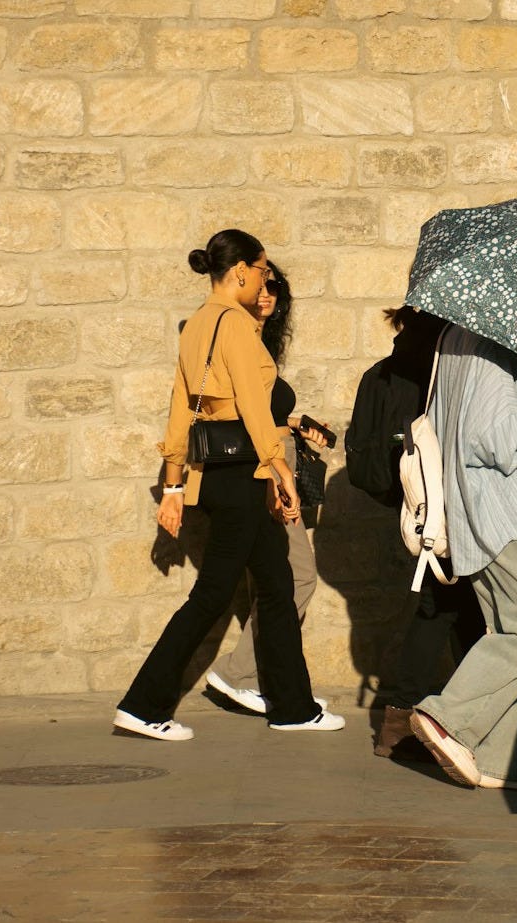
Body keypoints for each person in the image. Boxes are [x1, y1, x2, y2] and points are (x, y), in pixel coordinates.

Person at [114, 229, 345, 740]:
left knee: (278, 585)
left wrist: (173, 486)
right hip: (244, 477)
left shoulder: (197, 324)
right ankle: (142, 705)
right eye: (262, 271)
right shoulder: (235, 325)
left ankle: (293, 707)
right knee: (213, 594)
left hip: (218, 476)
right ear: (240, 271)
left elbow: (180, 409)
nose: (264, 280)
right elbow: (253, 406)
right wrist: (279, 469)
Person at [408, 324, 517, 790]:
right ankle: (447, 718)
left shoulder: (455, 337)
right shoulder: (494, 348)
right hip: (501, 511)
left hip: (471, 507)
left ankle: (510, 761)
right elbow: (494, 439)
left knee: (512, 629)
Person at [344, 306, 484, 761]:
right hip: (451, 504)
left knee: (459, 610)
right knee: (443, 607)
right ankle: (404, 718)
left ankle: (460, 718)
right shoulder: (442, 364)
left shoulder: (387, 369)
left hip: (416, 505)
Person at [203, 261, 331, 716]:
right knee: (298, 576)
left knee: (276, 580)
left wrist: (294, 424)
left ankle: (273, 685)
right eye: (262, 282)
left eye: (275, 285)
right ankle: (238, 674)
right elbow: (235, 410)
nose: (267, 292)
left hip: (275, 457)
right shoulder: (235, 336)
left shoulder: (257, 342)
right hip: (266, 467)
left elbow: (258, 408)